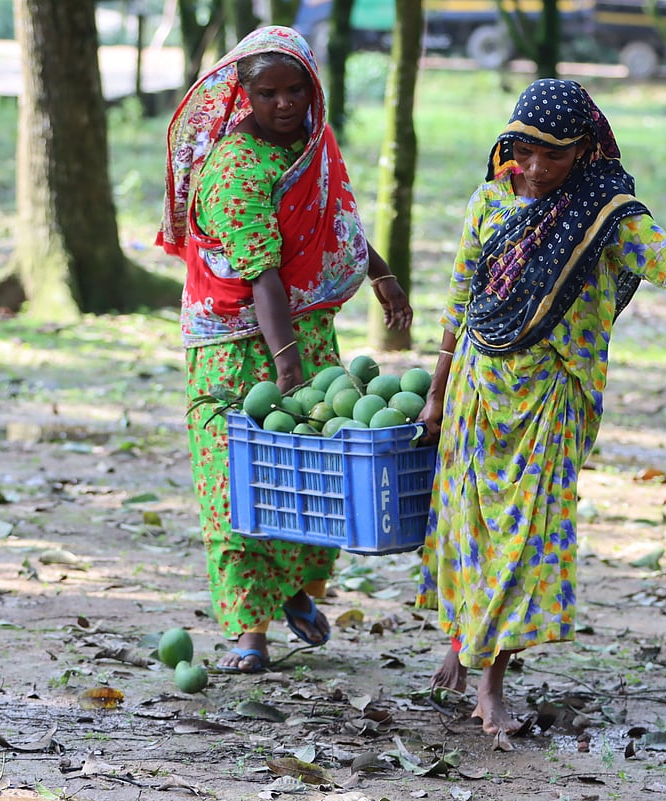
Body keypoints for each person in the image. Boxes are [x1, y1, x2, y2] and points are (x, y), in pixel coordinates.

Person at [414, 78, 666, 735]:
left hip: (552, 398)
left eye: (556, 156)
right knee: (472, 523)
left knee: (529, 535)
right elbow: (460, 300)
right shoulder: (487, 204)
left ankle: (491, 679)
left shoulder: (605, 218)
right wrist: (436, 391)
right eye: (527, 151)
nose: (537, 169)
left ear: (587, 152)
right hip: (479, 389)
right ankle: (463, 637)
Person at [156, 26, 412, 675]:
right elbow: (261, 272)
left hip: (305, 337)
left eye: (294, 88)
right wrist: (289, 368)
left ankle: (296, 587)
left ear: (312, 86)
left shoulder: (312, 147)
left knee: (311, 484)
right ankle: (250, 634)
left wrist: (379, 273)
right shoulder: (235, 168)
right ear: (244, 94)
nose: (282, 102)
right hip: (237, 351)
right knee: (234, 491)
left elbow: (335, 222)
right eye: (267, 92)